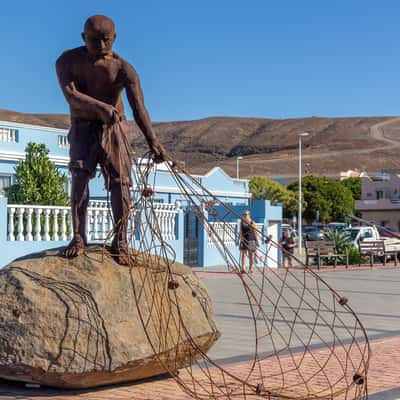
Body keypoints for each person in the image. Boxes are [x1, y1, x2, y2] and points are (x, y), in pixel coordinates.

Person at [56, 15, 168, 265]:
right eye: (95, 40)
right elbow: (71, 95)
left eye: (106, 40)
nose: (101, 45)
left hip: (115, 129)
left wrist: (153, 141)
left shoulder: (124, 69)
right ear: (84, 37)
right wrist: (101, 108)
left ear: (114, 38)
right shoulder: (67, 61)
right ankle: (77, 236)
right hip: (83, 126)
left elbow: (139, 108)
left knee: (121, 183)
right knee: (80, 176)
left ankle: (121, 241)